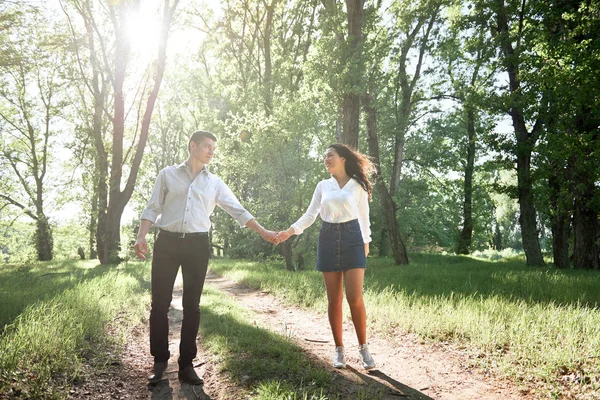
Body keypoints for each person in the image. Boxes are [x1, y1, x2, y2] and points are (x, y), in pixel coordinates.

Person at [134, 130, 279, 385]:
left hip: (197, 245)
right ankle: (159, 362)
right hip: (166, 243)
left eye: (214, 147)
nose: (212, 151)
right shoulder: (167, 174)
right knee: (159, 303)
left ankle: (186, 365)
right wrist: (141, 236)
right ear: (193, 146)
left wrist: (263, 231)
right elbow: (152, 206)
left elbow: (237, 210)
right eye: (207, 146)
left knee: (192, 305)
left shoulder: (214, 182)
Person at [277, 143, 376, 370]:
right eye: (324, 157)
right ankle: (339, 349)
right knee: (334, 299)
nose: (326, 159)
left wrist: (366, 241)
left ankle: (363, 348)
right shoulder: (323, 186)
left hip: (353, 239)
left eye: (330, 155)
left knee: (354, 297)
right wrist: (289, 232)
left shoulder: (357, 185)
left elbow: (364, 216)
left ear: (342, 158)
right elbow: (310, 215)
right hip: (328, 238)